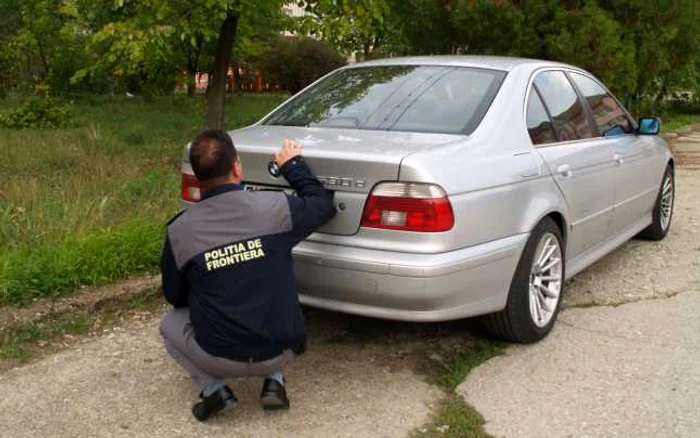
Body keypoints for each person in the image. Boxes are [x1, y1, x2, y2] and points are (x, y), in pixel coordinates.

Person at [159, 130, 335, 422]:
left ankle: (214, 389)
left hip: (218, 353)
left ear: (199, 176)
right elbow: (322, 204)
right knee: (267, 290)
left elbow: (174, 296)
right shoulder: (276, 208)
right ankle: (275, 382)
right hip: (283, 349)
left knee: (169, 324)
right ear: (237, 167)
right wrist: (292, 165)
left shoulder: (180, 232)